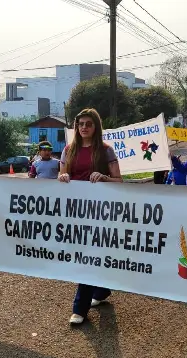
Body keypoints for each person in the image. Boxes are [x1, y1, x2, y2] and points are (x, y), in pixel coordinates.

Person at [59, 108, 122, 325]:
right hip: (75, 212)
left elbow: (119, 181)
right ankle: (102, 290)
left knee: (87, 257)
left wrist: (104, 178)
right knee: (85, 254)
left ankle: (80, 308)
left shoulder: (106, 151)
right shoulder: (68, 150)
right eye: (80, 124)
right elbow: (61, 175)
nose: (84, 127)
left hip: (100, 213)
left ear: (96, 127)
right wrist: (64, 176)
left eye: (88, 124)